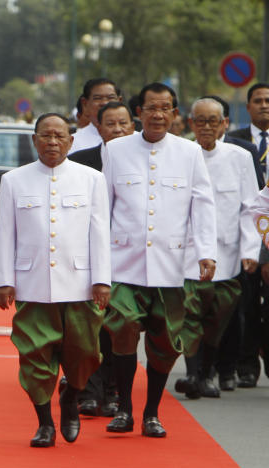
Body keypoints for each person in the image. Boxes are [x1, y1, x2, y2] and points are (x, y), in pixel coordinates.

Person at [102, 82, 217, 438]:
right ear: (139, 112)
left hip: (172, 264)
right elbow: (103, 205)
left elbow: (202, 204)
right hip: (124, 261)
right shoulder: (116, 149)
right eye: (151, 107)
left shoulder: (189, 152)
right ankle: (124, 408)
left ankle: (151, 411)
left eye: (165, 108)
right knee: (120, 327)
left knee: (166, 342)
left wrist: (206, 252)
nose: (158, 114)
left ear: (174, 114)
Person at [0, 113, 110, 447]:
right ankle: (44, 422)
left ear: (71, 141)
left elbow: (99, 232)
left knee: (86, 353)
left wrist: (102, 279)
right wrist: (5, 280)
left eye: (60, 136)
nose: (52, 142)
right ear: (34, 140)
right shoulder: (14, 180)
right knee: (35, 356)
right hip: (33, 282)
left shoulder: (91, 178)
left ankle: (71, 398)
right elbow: (7, 234)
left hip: (80, 282)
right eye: (45, 136)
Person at [172, 98, 260, 399]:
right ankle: (195, 374)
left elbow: (251, 207)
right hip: (187, 255)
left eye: (213, 121)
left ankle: (207, 371)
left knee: (217, 319)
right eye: (200, 120)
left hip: (228, 254)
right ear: (190, 123)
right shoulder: (179, 154)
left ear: (225, 123)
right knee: (189, 315)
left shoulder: (239, 156)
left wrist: (251, 249)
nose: (206, 126)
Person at [67, 100, 134, 417]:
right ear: (99, 127)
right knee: (88, 327)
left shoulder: (140, 161)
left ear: (132, 126)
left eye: (124, 123)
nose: (118, 129)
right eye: (111, 124)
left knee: (116, 326)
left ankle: (112, 391)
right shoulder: (81, 161)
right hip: (85, 254)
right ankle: (88, 391)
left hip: (124, 259)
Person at [225, 82, 269, 388]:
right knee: (247, 301)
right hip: (247, 228)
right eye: (259, 101)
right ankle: (246, 363)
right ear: (248, 106)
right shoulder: (234, 142)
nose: (265, 105)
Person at [70, 78, 122, 153]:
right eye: (98, 98)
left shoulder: (135, 138)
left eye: (110, 97)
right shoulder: (73, 143)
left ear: (120, 101)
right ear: (85, 104)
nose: (104, 103)